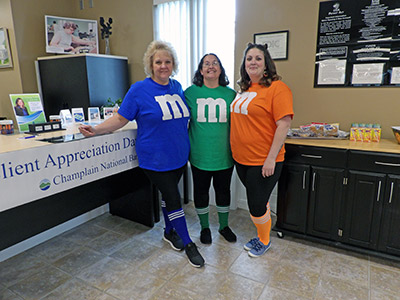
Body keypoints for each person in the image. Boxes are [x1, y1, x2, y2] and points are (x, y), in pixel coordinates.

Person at [79, 40, 205, 268]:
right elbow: (120, 118)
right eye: (158, 62)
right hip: (154, 157)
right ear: (151, 64)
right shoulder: (138, 90)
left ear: (173, 64)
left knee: (169, 197)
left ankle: (169, 232)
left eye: (167, 61)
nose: (163, 66)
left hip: (178, 155)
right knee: (174, 198)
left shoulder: (176, 87)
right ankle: (188, 243)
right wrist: (96, 130)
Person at [230, 43, 294, 257]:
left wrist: (271, 159)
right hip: (241, 159)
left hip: (263, 160)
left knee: (256, 205)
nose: (253, 62)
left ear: (266, 63)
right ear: (244, 64)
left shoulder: (277, 88)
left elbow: (284, 124)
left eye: (258, 58)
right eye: (249, 58)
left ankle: (264, 240)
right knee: (259, 199)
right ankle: (262, 234)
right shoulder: (244, 89)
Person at [184, 54, 237, 244]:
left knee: (223, 191)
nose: (211, 66)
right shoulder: (189, 93)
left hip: (224, 154)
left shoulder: (231, 94)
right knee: (201, 192)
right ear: (201, 70)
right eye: (206, 63)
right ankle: (205, 227)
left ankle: (224, 226)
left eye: (215, 63)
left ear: (221, 69)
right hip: (199, 154)